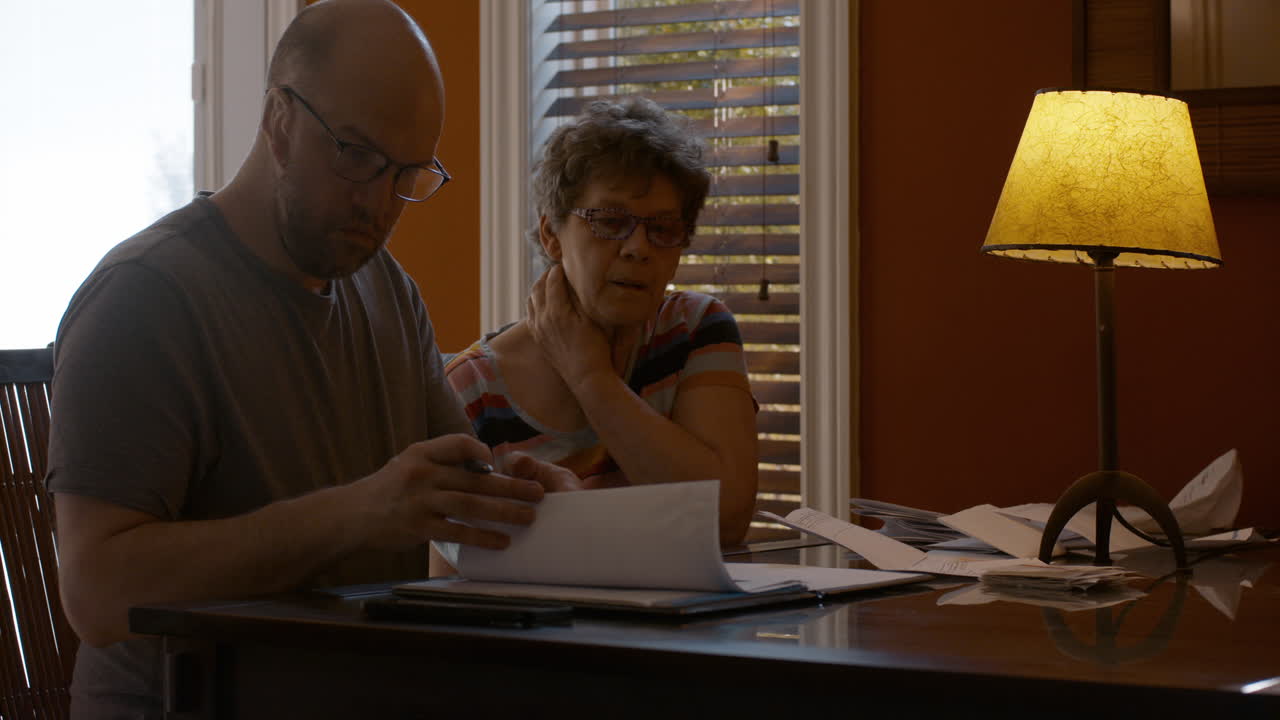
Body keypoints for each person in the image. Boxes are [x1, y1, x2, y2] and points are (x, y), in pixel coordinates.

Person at [46, 1, 575, 717]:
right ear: (279, 121)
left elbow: (445, 493)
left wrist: (514, 496)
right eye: (356, 155)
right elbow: (96, 592)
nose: (380, 201)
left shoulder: (387, 289)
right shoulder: (146, 298)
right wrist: (357, 514)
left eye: (407, 173)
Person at [435, 97, 758, 574]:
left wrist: (590, 377)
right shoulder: (470, 388)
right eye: (610, 223)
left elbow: (725, 520)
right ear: (551, 235)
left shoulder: (696, 329)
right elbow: (449, 587)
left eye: (663, 229)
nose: (637, 249)